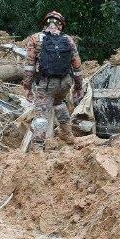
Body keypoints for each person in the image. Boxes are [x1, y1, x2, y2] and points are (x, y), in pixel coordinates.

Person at [22, 11, 84, 149]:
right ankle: (67, 134)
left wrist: (27, 86)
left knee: (41, 114)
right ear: (61, 25)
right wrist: (78, 86)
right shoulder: (68, 40)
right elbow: (77, 65)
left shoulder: (35, 39)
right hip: (65, 82)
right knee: (59, 103)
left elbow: (29, 66)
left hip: (47, 83)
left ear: (45, 24)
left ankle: (38, 146)